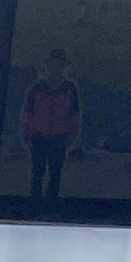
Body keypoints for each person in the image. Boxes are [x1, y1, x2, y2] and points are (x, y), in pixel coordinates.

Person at [20, 49, 79, 205]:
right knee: (37, 173)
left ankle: (51, 205)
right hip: (38, 136)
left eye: (59, 65)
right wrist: (26, 134)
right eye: (53, 65)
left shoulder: (70, 89)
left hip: (59, 138)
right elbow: (28, 113)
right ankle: (35, 204)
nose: (56, 68)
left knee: (55, 173)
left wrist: (72, 136)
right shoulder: (36, 88)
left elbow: (74, 115)